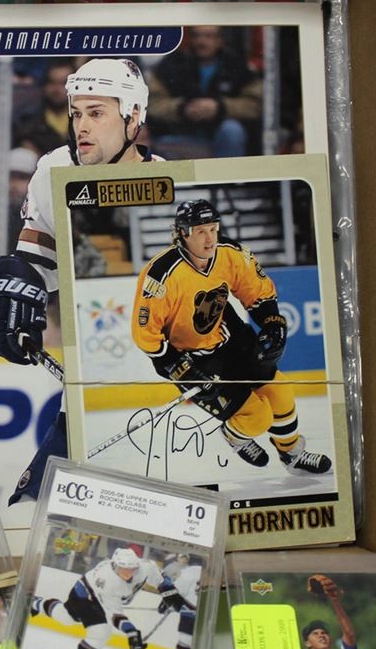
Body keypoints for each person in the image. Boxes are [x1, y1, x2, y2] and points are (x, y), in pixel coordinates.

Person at [0, 58, 162, 500]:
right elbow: (37, 261)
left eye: (96, 113)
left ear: (134, 116)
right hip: (91, 378)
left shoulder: (169, 183)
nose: (82, 125)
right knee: (38, 508)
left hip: (162, 379)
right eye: (76, 113)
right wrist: (17, 296)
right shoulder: (55, 170)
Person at [131, 198, 332, 474]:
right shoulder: (161, 275)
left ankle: (293, 455)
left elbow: (258, 293)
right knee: (257, 417)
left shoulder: (229, 253)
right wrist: (180, 370)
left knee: (280, 390)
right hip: (193, 359)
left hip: (231, 338)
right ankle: (234, 436)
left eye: (213, 229)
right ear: (183, 233)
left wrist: (272, 322)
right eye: (201, 231)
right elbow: (145, 334)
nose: (210, 238)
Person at [30, 547, 187, 649]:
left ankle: (36, 603)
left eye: (131, 569)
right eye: (123, 569)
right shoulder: (108, 580)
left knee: (70, 619)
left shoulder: (145, 568)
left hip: (103, 597)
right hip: (85, 594)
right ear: (114, 566)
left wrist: (171, 596)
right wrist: (132, 632)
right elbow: (114, 615)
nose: (127, 573)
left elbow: (161, 579)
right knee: (94, 629)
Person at [146, 25, 261, 158]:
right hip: (180, 134)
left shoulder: (236, 65)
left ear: (220, 40)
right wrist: (182, 108)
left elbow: (255, 105)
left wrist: (220, 108)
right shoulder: (172, 64)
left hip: (221, 135)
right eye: (196, 36)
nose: (201, 41)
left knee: (232, 130)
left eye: (208, 36)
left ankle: (228, 172)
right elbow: (153, 103)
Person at [168, 561, 202, 649]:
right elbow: (178, 588)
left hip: (210, 614)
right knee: (185, 638)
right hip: (189, 609)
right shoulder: (193, 570)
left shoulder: (226, 574)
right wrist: (171, 602)